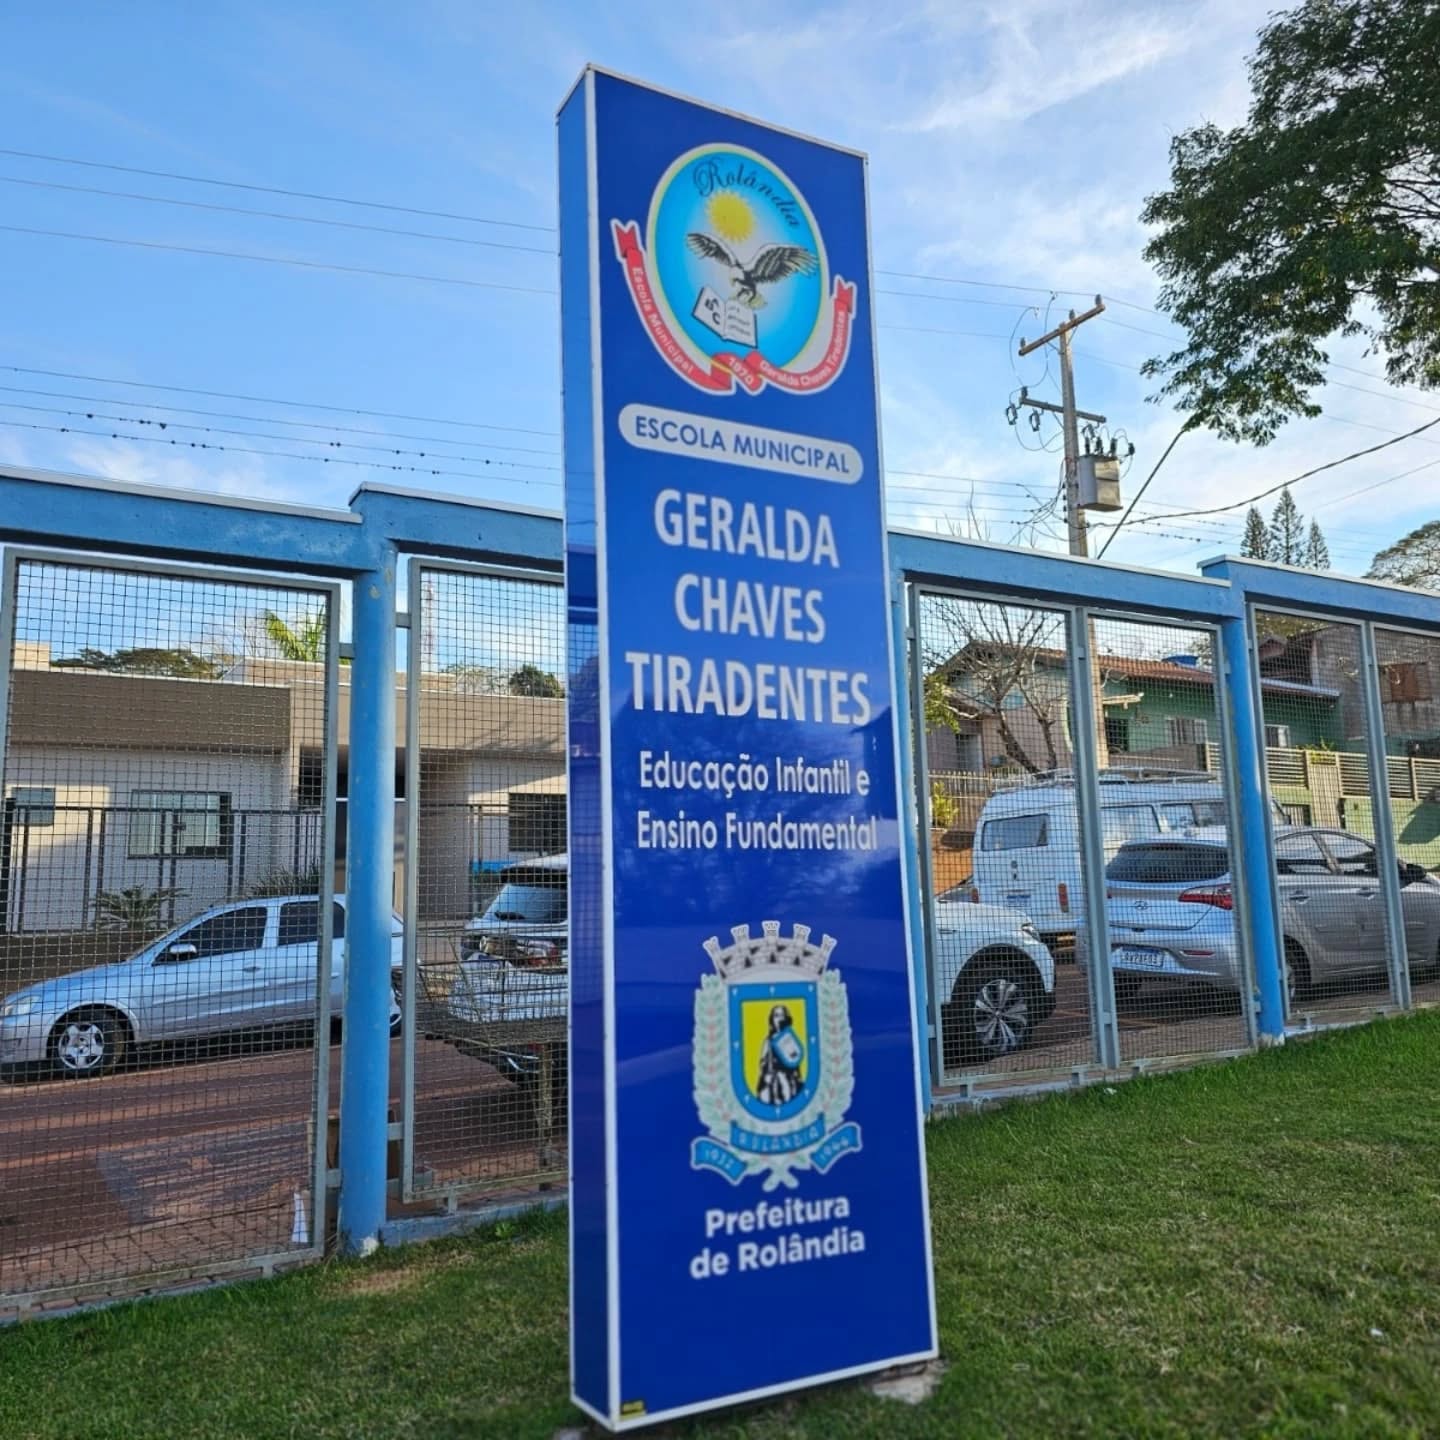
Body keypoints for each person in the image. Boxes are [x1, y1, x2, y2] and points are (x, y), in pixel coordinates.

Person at [756, 1004, 806, 1106]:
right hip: (772, 1075)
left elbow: (794, 1058)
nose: (779, 1018)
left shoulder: (789, 1038)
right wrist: (766, 1074)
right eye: (776, 1015)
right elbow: (763, 1061)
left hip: (788, 1074)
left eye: (781, 1015)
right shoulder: (768, 1041)